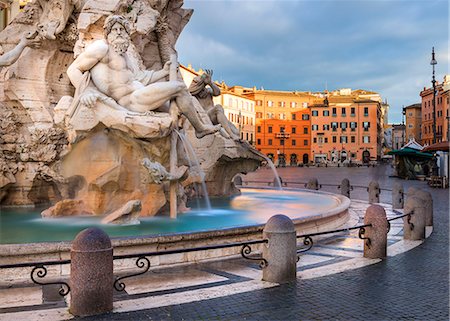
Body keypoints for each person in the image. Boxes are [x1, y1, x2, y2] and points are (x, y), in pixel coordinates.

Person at [67, 15, 220, 138]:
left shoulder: (124, 55)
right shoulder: (101, 48)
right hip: (131, 100)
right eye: (115, 29)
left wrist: (164, 72)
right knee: (179, 88)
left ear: (127, 34)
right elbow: (73, 69)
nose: (119, 32)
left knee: (178, 113)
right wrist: (85, 91)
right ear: (108, 34)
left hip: (140, 95)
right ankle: (200, 129)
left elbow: (139, 78)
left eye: (122, 29)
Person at [189, 69, 240, 140]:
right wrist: (202, 81)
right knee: (218, 107)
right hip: (205, 117)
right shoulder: (194, 94)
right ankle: (231, 135)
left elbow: (218, 92)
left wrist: (210, 83)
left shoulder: (208, 91)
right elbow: (191, 90)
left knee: (236, 132)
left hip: (216, 116)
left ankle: (231, 133)